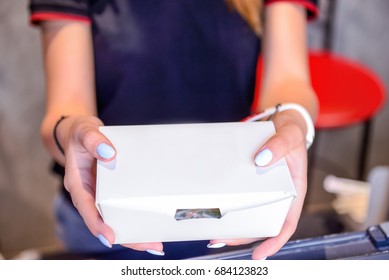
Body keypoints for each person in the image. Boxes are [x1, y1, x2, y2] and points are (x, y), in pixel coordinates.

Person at [29, 0, 319, 260]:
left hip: (227, 210)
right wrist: (72, 135)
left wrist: (294, 120)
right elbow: (66, 106)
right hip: (108, 214)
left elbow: (289, 80)